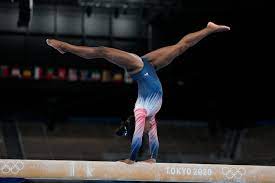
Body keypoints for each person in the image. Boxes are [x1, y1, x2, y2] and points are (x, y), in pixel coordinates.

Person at [46, 22, 230, 164]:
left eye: (146, 130)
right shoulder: (152, 116)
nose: (151, 130)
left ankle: (66, 48)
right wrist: (153, 159)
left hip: (138, 67)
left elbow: (137, 137)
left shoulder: (141, 112)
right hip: (151, 66)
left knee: (103, 51)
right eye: (151, 129)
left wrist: (132, 159)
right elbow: (154, 142)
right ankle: (209, 29)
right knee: (181, 47)